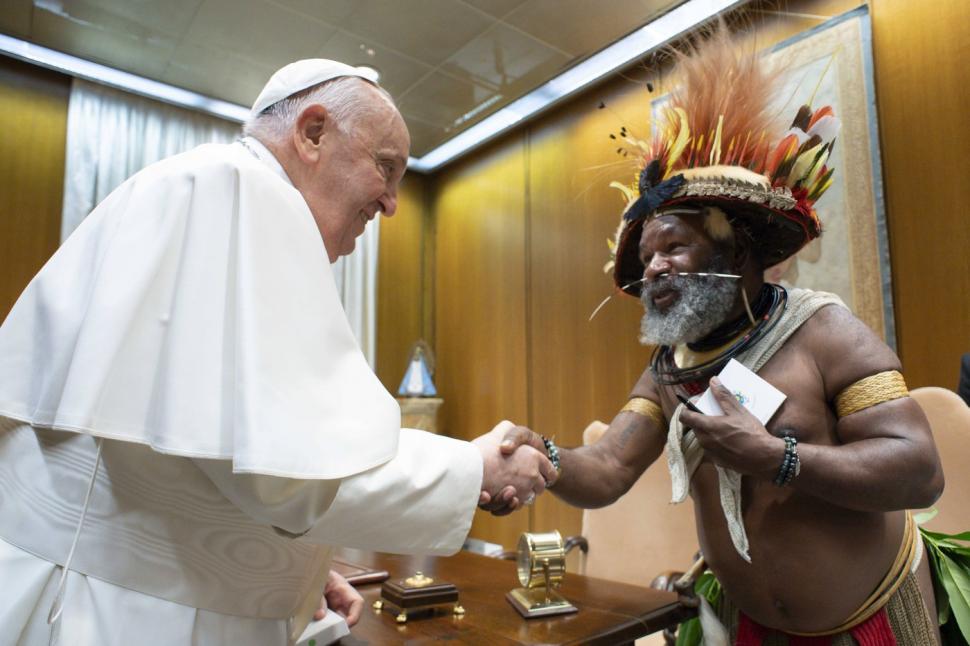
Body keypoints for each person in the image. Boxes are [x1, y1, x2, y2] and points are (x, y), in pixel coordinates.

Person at [0, 59, 554, 646]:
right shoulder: (245, 190)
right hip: (120, 615)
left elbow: (192, 465)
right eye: (384, 167)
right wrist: (474, 468)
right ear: (313, 132)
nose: (391, 203)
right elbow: (286, 470)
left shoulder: (198, 184)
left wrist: (300, 572)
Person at [488, 28, 952, 645]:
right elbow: (607, 469)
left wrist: (774, 457)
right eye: (646, 258)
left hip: (870, 622)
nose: (653, 268)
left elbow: (919, 471)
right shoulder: (669, 369)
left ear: (739, 250)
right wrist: (542, 458)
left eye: (674, 245)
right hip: (749, 626)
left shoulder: (822, 330)